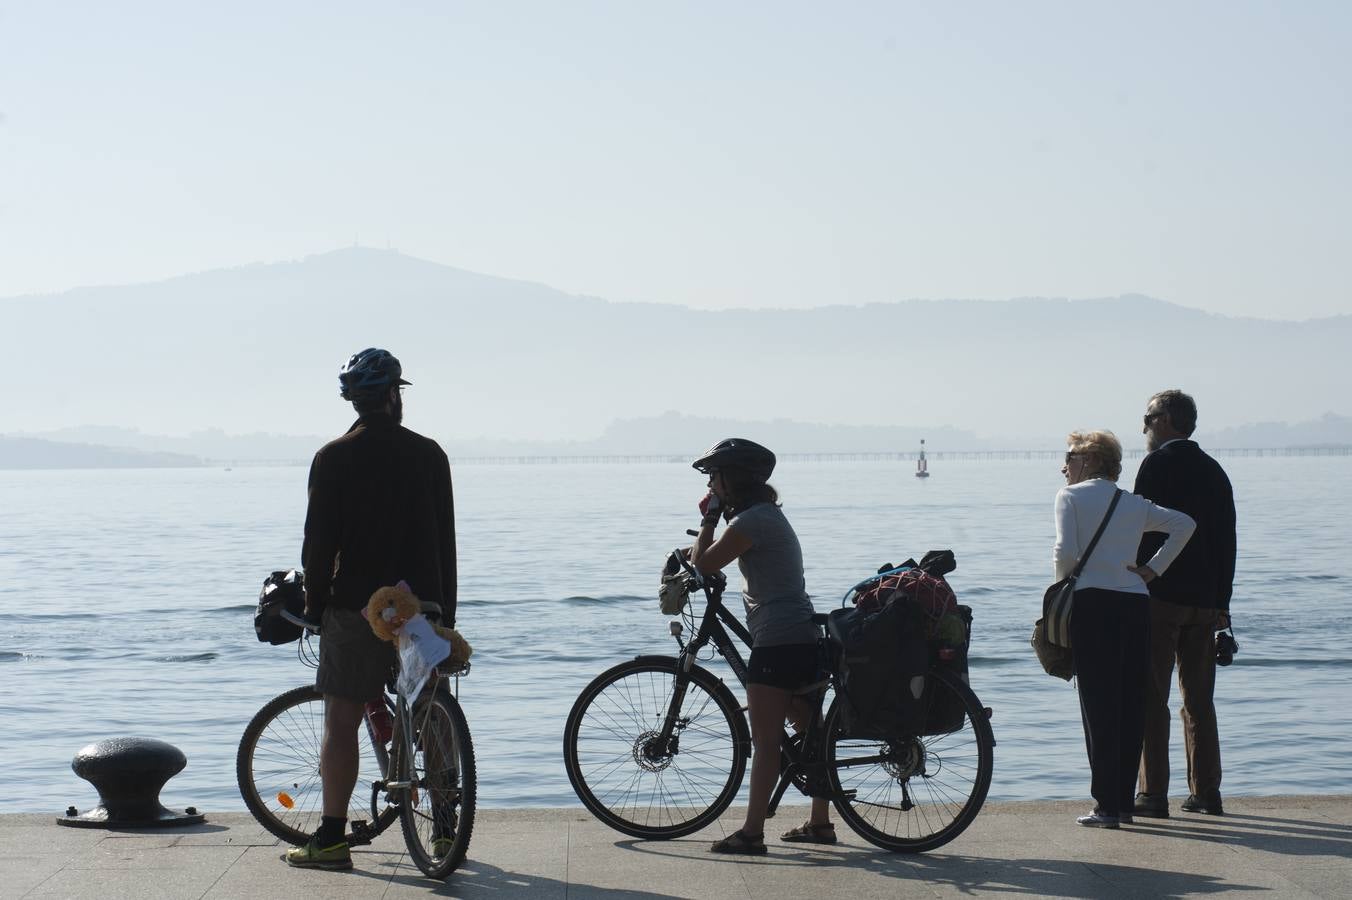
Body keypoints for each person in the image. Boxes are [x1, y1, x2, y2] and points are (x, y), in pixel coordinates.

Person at [285, 348, 457, 870]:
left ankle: (333, 838)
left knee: (342, 719)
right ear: (392, 396)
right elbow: (445, 542)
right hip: (418, 606)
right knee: (432, 710)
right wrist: (444, 611)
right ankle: (447, 829)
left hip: (353, 608)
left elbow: (318, 544)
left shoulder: (333, 457)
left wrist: (315, 606)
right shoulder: (430, 455)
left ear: (354, 401)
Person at [688, 438, 831, 854]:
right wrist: (688, 549)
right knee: (810, 732)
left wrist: (708, 519)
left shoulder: (751, 522)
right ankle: (820, 823)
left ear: (732, 479)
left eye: (714, 477)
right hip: (801, 635)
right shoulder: (761, 518)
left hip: (778, 641)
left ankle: (751, 834)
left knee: (765, 741)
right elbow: (709, 554)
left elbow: (707, 562)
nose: (711, 485)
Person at [1054, 430, 1194, 829]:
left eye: (1070, 457)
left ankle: (1106, 807)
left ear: (1090, 460)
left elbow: (1064, 551)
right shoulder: (1132, 502)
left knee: (1097, 706)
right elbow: (1185, 524)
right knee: (1130, 704)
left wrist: (1060, 586)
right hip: (1134, 603)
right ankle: (1123, 804)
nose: (1064, 466)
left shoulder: (1070, 497)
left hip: (1092, 604)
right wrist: (1153, 569)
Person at [1133, 390, 1237, 818]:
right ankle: (1206, 792)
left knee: (1151, 697)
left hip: (1161, 597)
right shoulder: (1215, 470)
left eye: (1149, 416)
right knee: (1199, 700)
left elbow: (1138, 529)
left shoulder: (1155, 465)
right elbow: (1227, 542)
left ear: (1167, 421)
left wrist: (1136, 580)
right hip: (1205, 602)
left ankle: (1153, 794)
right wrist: (1222, 603)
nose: (1144, 425)